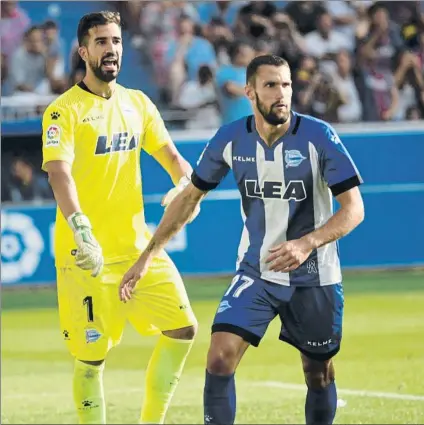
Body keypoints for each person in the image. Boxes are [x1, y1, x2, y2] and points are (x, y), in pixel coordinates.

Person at [119, 55, 365, 425]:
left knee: (318, 372)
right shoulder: (231, 138)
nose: (281, 94)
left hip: (314, 276)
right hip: (257, 271)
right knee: (219, 357)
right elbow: (189, 198)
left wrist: (306, 243)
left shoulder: (318, 136)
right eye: (270, 86)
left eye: (286, 85)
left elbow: (354, 209)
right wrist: (147, 256)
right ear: (250, 92)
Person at [41, 11, 198, 425]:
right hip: (85, 257)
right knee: (92, 359)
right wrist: (80, 228)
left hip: (136, 250)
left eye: (116, 41)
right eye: (101, 42)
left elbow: (173, 159)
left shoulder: (138, 103)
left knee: (183, 329)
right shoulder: (63, 112)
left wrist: (186, 186)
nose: (111, 50)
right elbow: (59, 173)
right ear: (83, 51)